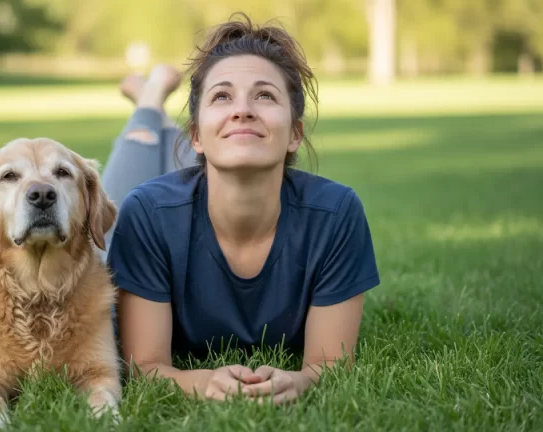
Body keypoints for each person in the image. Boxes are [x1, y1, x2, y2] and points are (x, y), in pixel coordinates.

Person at [99, 13, 380, 405]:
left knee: (171, 165)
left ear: (295, 134)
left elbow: (329, 363)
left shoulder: (336, 214)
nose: (243, 110)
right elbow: (144, 366)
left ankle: (158, 106)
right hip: (164, 195)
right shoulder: (146, 212)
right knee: (142, 139)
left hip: (194, 184)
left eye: (264, 95)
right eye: (222, 96)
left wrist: (301, 382)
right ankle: (150, 97)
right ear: (195, 136)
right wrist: (202, 382)